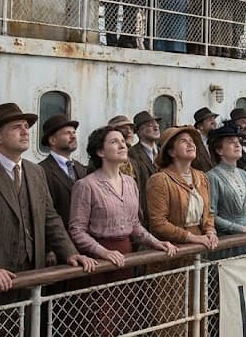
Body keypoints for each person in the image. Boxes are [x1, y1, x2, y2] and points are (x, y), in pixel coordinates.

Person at [0, 103, 96, 295]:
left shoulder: (36, 171)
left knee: (32, 323)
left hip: (33, 276)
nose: (25, 132)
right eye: (16, 127)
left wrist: (70, 252)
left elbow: (50, 218)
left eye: (25, 127)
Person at [68, 125, 177, 337]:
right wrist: (104, 253)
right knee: (100, 321)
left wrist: (157, 243)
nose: (122, 145)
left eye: (122, 141)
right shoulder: (86, 185)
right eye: (114, 142)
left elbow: (134, 224)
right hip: (99, 261)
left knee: (124, 318)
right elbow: (77, 229)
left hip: (126, 256)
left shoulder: (129, 183)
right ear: (100, 152)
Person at [145, 126, 219, 251]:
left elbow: (208, 212)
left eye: (192, 141)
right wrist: (190, 237)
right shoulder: (160, 180)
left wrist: (211, 231)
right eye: (183, 141)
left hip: (200, 247)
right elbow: (158, 223)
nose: (191, 144)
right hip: (173, 249)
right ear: (171, 152)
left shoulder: (201, 177)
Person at [205, 124, 246, 258]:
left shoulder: (245, 174)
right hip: (225, 243)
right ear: (219, 150)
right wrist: (241, 229)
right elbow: (211, 216)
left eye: (239, 142)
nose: (237, 145)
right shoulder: (212, 176)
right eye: (231, 142)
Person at [38, 114, 87, 228]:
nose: (73, 136)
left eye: (74, 133)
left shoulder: (81, 168)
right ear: (53, 140)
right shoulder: (41, 171)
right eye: (67, 133)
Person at [128, 110, 161, 228]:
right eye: (149, 125)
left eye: (156, 124)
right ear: (139, 131)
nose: (156, 127)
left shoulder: (164, 152)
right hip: (146, 212)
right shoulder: (132, 154)